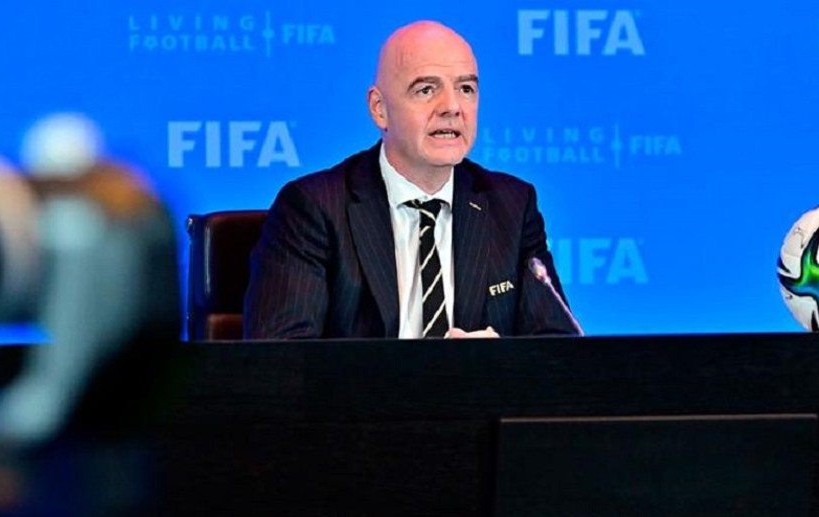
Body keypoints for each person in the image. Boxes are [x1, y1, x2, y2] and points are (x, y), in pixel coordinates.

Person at [243, 20, 581, 340]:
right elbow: (284, 359)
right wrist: (429, 374)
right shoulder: (314, 208)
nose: (452, 107)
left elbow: (557, 350)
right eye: (426, 90)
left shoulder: (511, 205)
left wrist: (494, 366)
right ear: (379, 109)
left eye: (466, 89)